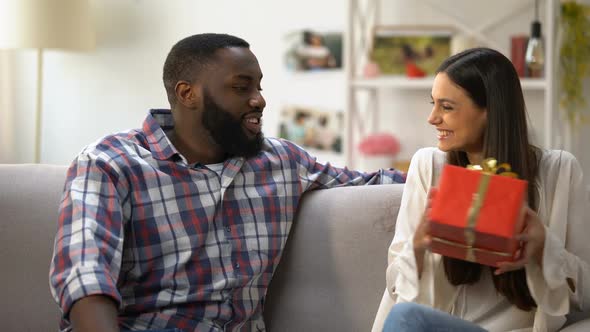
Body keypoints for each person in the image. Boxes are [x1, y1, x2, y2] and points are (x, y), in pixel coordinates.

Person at [48, 33, 405, 332]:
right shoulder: (110, 163)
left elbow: (378, 182)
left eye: (259, 86)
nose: (260, 100)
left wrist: (455, 163)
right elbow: (85, 275)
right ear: (188, 94)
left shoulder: (281, 161)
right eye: (241, 87)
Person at [372, 48, 589, 332]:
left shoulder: (558, 171)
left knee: (407, 319)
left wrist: (545, 248)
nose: (432, 118)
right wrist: (419, 248)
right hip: (436, 326)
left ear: (490, 111)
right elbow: (396, 288)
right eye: (433, 104)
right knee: (406, 316)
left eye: (446, 107)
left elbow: (585, 292)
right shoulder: (429, 165)